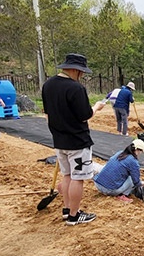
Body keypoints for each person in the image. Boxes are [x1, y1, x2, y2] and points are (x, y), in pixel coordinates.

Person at [42, 53, 106, 226]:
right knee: (78, 178)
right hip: (77, 141)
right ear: (76, 70)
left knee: (67, 175)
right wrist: (97, 108)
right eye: (82, 72)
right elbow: (85, 115)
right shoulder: (76, 89)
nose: (82, 75)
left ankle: (67, 209)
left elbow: (47, 113)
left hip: (59, 141)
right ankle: (74, 215)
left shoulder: (48, 85)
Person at [93, 139, 144, 203]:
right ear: (137, 150)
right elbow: (136, 181)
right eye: (141, 151)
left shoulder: (120, 153)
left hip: (98, 184)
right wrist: (142, 184)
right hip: (108, 190)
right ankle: (122, 195)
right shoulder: (133, 161)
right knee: (131, 179)